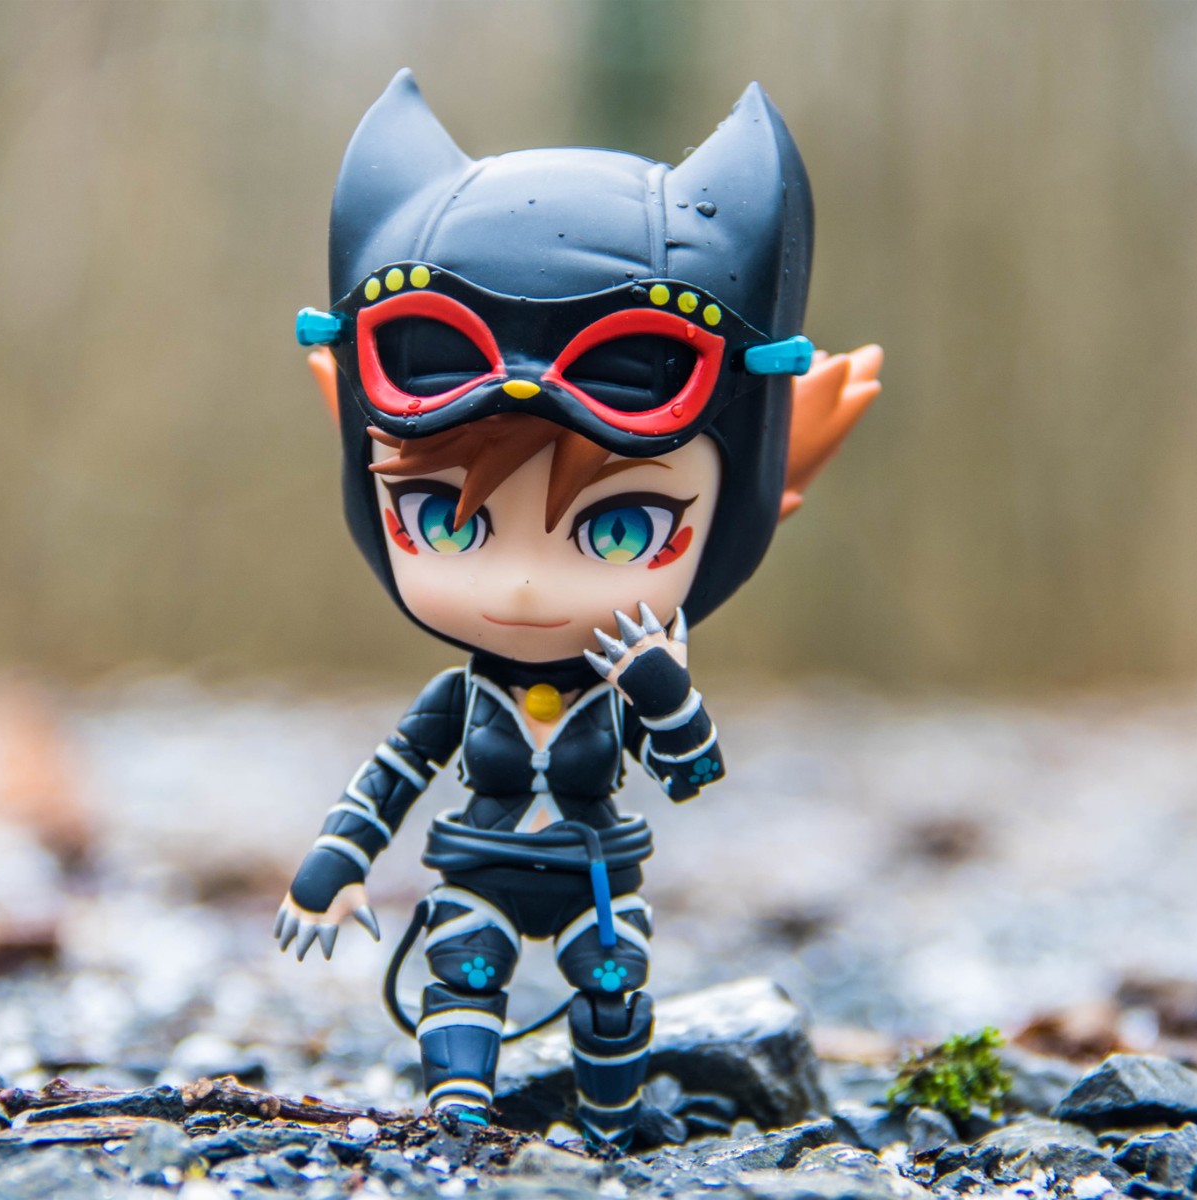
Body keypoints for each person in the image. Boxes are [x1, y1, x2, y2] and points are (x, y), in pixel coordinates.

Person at [275, 69, 882, 1151]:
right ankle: (459, 1111)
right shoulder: (462, 697)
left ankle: (609, 1122)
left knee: (612, 998)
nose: (521, 586)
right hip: (479, 867)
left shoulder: (625, 677)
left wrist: (660, 687)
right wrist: (331, 868)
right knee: (464, 976)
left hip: (600, 878)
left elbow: (691, 774)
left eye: (620, 531)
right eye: (445, 520)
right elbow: (390, 778)